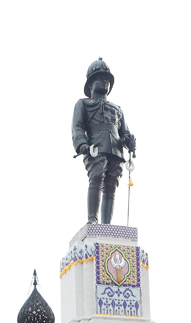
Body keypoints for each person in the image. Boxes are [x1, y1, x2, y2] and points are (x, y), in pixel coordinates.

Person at [71, 57, 136, 225]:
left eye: (107, 80)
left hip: (115, 149)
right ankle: (92, 218)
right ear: (90, 84)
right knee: (96, 176)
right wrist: (82, 144)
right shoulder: (83, 104)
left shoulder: (117, 109)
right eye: (99, 78)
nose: (104, 82)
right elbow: (78, 127)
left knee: (111, 184)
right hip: (95, 147)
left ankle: (107, 224)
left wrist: (129, 141)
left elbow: (124, 132)